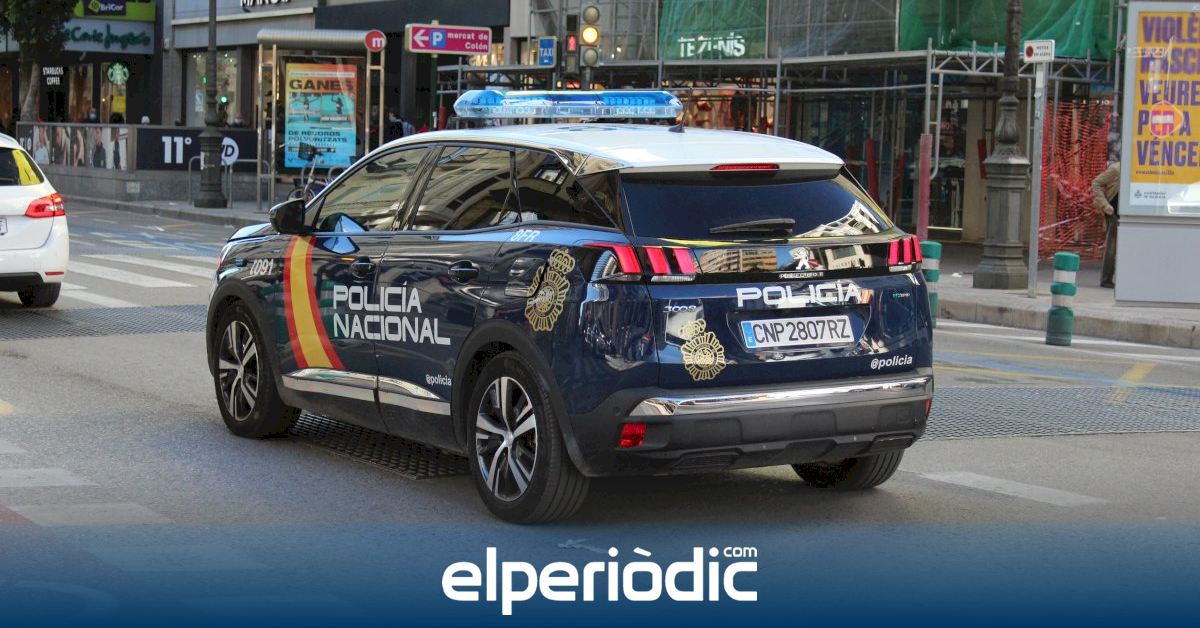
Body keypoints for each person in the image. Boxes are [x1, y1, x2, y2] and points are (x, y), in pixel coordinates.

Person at [1090, 160, 1121, 289]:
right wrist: (1104, 205)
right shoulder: (1116, 169)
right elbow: (1096, 183)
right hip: (1114, 213)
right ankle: (1106, 278)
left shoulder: (1140, 170)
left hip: (1128, 214)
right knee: (1111, 248)